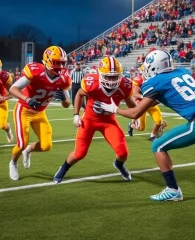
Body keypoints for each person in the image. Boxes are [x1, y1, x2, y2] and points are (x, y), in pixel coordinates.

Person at [95, 50, 195, 201]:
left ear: (154, 67)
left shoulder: (155, 82)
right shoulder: (182, 71)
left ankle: (173, 190)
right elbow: (173, 94)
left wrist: (113, 108)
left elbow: (135, 113)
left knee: (158, 146)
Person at [53, 56, 136, 184]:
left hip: (109, 121)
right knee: (79, 153)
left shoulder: (125, 85)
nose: (112, 80)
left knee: (123, 152)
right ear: (100, 74)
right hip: (89, 120)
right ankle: (63, 168)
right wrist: (76, 114)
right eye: (108, 76)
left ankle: (119, 165)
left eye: (115, 76)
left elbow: (132, 106)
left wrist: (136, 117)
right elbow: (80, 95)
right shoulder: (91, 82)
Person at [8, 46, 71, 181]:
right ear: (47, 61)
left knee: (46, 145)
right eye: (57, 62)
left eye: (62, 62)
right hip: (24, 110)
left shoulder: (64, 78)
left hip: (40, 113)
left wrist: (64, 99)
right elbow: (13, 88)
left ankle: (28, 151)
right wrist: (27, 99)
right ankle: (13, 163)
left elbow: (67, 105)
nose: (60, 66)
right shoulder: (35, 71)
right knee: (21, 143)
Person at [128, 68, 167, 141]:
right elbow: (135, 93)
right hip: (141, 105)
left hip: (152, 104)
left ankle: (152, 136)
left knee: (158, 121)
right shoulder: (139, 80)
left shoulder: (156, 80)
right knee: (141, 128)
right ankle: (131, 125)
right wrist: (146, 97)